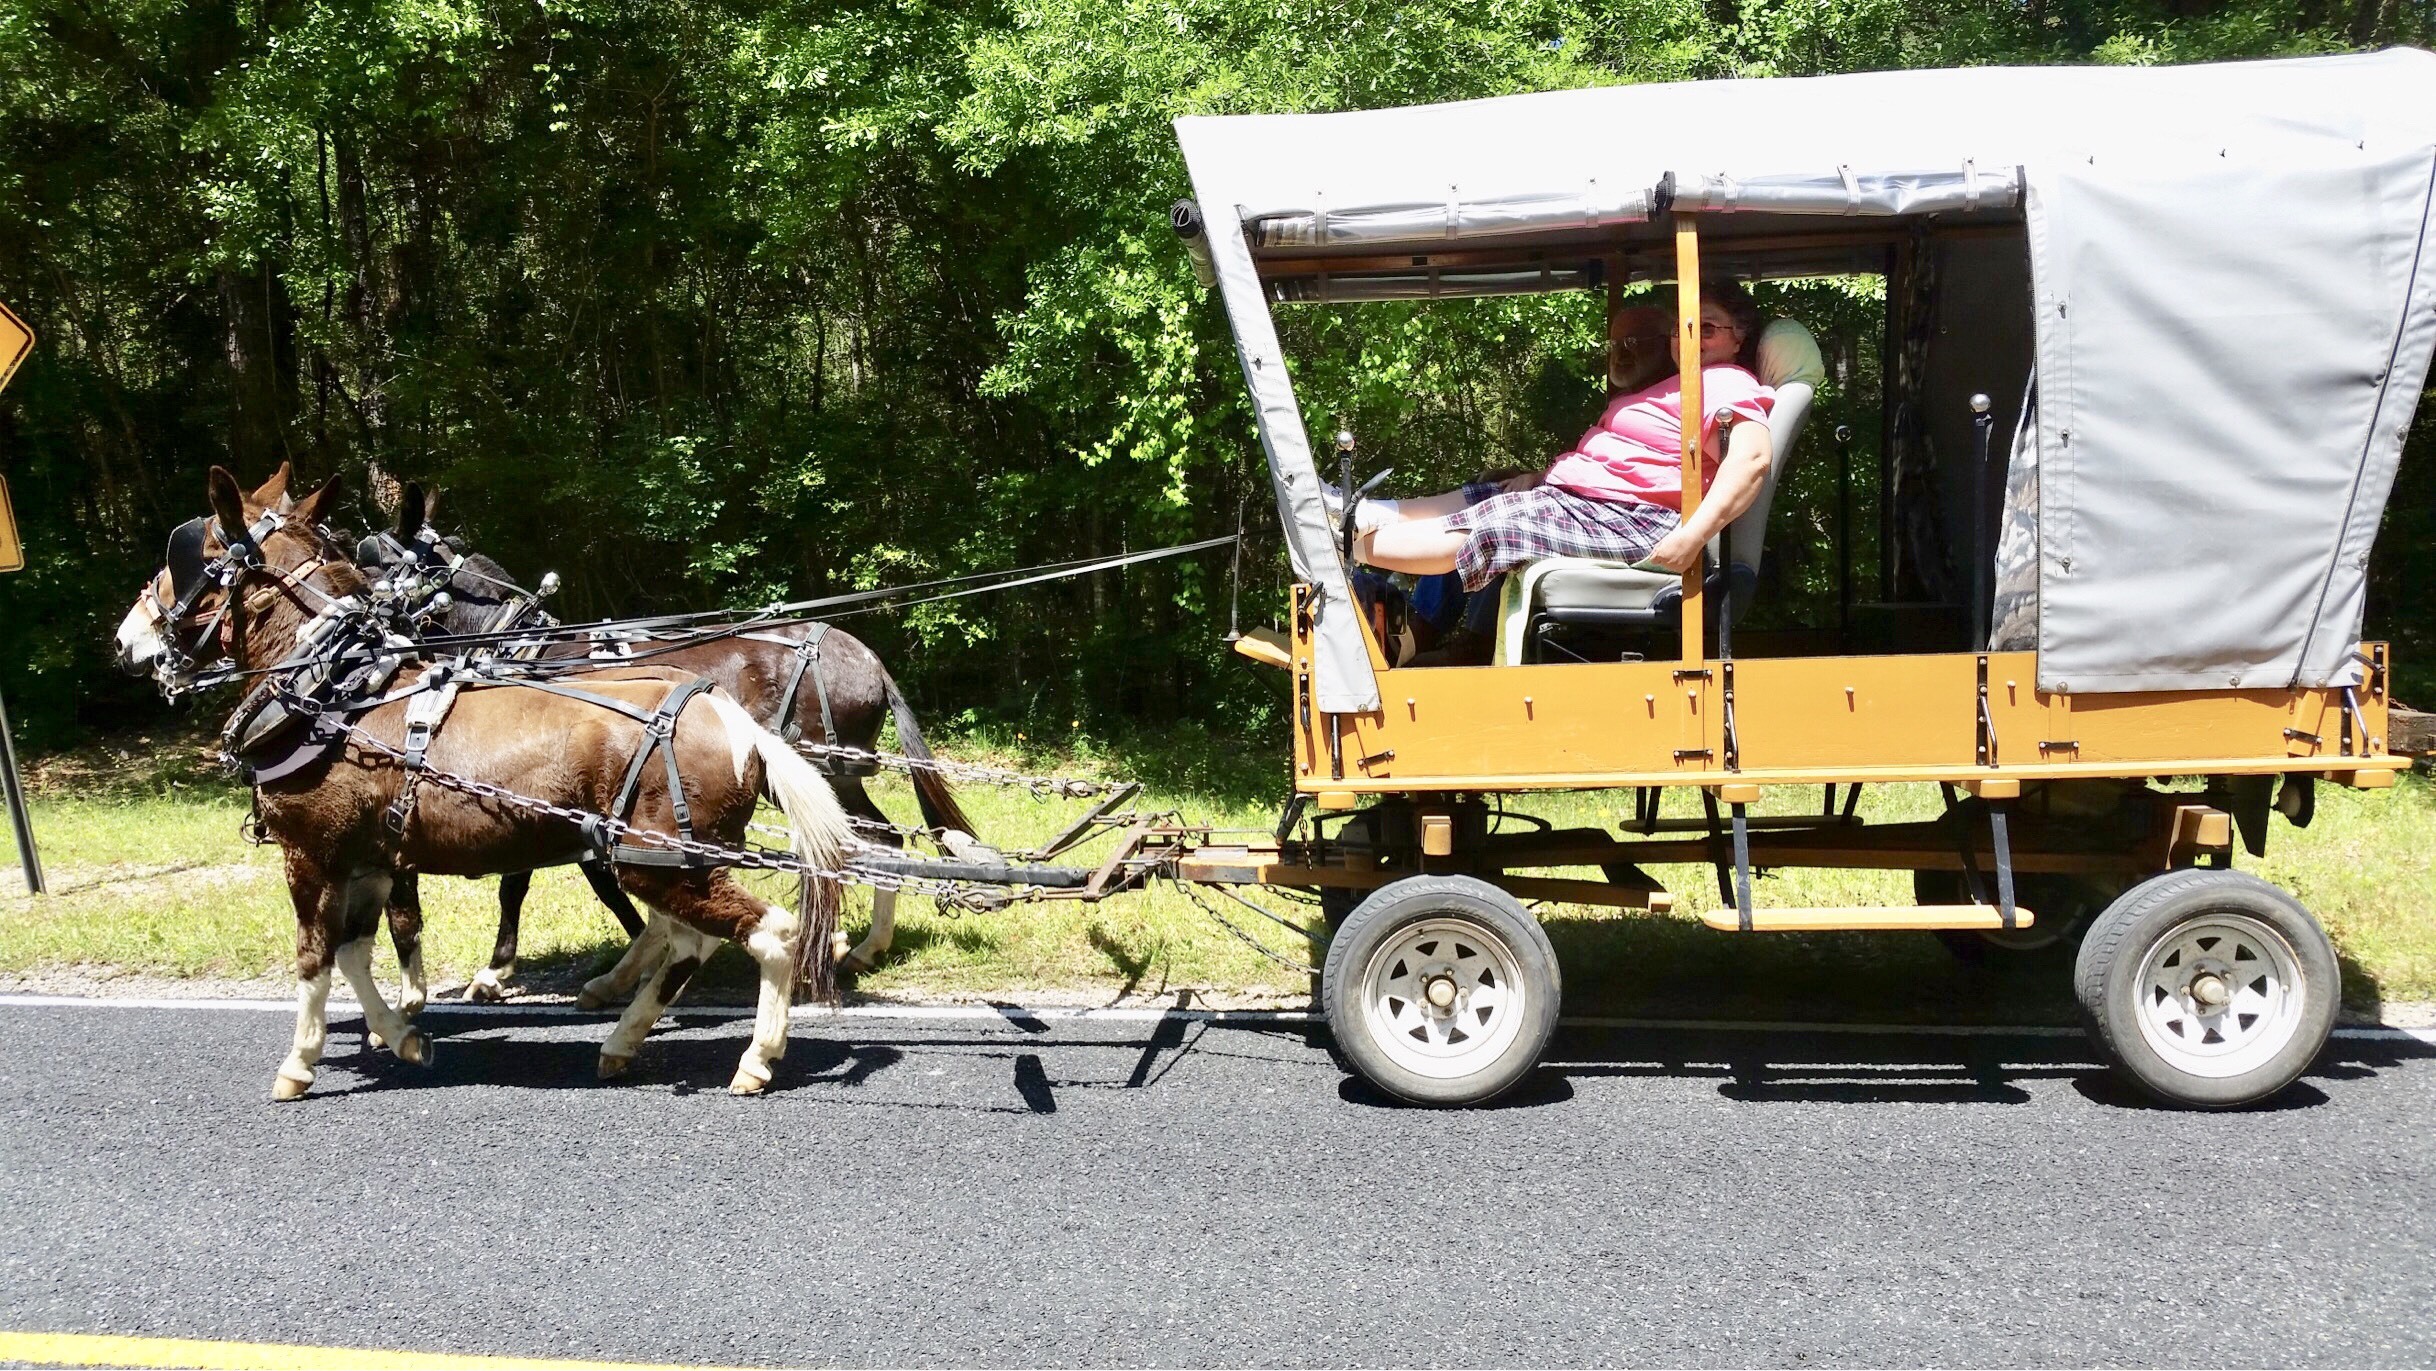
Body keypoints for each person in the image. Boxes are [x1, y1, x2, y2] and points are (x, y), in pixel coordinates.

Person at [1339, 280, 1776, 593]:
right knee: (1487, 493)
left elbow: (1751, 460)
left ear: (1739, 339)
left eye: (1707, 328)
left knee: (1501, 525)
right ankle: (1364, 513)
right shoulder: (1674, 385)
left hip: (1635, 519)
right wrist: (1544, 477)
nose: (1690, 338)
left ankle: (1341, 541)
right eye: (1683, 327)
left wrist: (1692, 536)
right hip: (1591, 504)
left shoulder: (1725, 381)